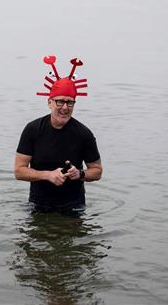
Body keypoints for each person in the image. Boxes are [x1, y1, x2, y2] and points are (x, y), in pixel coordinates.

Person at [14, 55, 102, 212]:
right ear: (49, 102)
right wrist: (47, 175)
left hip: (73, 207)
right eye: (60, 101)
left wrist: (80, 174)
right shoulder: (33, 129)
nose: (65, 107)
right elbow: (19, 171)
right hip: (38, 205)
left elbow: (97, 171)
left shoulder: (84, 134)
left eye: (70, 102)